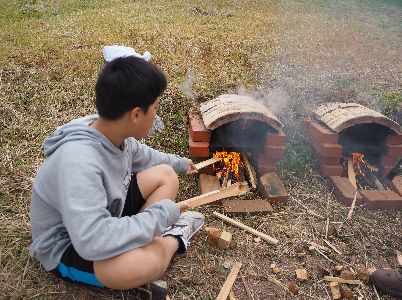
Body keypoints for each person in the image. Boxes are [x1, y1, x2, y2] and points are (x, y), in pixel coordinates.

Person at [29, 55, 205, 292]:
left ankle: (144, 241)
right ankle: (173, 239)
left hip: (108, 212)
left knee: (166, 175)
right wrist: (161, 216)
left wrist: (181, 164)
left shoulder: (111, 131)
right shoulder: (79, 163)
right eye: (155, 109)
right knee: (141, 265)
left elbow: (146, 156)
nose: (156, 116)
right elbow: (92, 241)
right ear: (135, 115)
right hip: (71, 244)